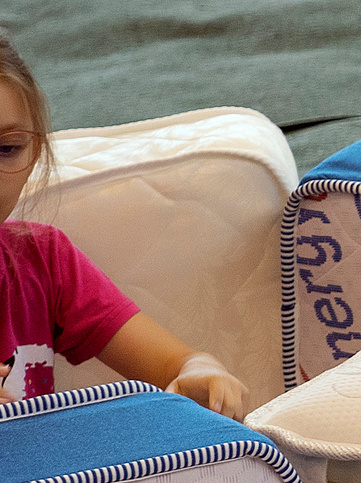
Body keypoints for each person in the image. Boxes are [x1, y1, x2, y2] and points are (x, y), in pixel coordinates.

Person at [0, 36, 250, 418]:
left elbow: (174, 366)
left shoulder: (43, 259)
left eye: (7, 149)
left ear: (36, 153)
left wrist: (201, 373)